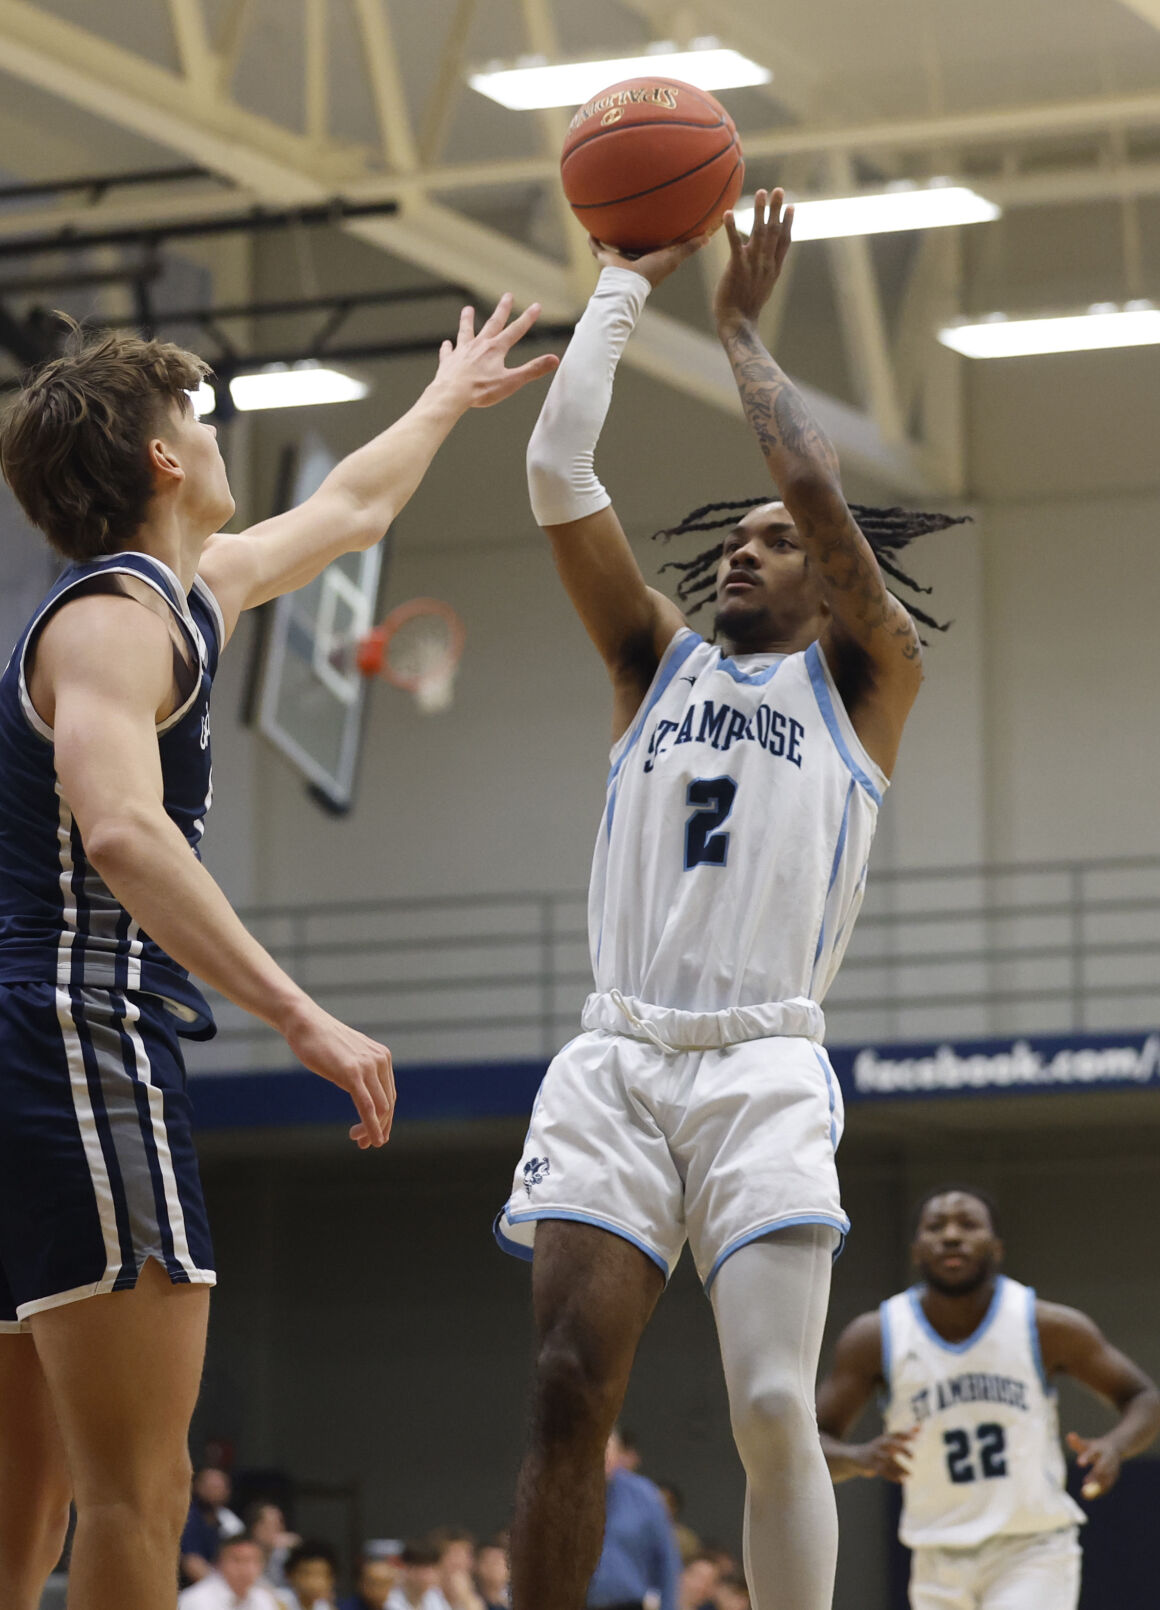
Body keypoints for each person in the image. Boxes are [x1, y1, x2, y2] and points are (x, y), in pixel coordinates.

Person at [0, 297, 557, 1610]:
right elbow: (127, 835)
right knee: (137, 1496)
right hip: (64, 1042)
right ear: (163, 461)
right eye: (196, 413)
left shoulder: (183, 592)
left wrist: (444, 395)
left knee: (5, 1521)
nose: (213, 427)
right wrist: (300, 1013)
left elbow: (352, 509)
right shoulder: (113, 622)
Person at [497, 189, 966, 1610]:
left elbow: (821, 496)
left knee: (772, 1405)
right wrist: (621, 284)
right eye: (738, 537)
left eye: (777, 540)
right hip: (620, 1054)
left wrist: (744, 335)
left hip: (764, 1061)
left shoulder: (864, 684)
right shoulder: (655, 661)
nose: (747, 548)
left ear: (832, 586)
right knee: (570, 1385)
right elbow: (556, 462)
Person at [815, 1185, 1160, 1610]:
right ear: (916, 1251)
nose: (952, 1235)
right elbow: (811, 1444)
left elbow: (1143, 1397)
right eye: (936, 1227)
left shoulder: (1045, 1325)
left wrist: (1115, 1446)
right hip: (935, 1555)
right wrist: (859, 1458)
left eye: (969, 1224)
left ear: (996, 1247)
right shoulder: (874, 1337)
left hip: (1032, 1548)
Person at [587, 1428, 680, 1610]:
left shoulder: (644, 1495)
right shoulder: (561, 1495)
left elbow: (667, 1559)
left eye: (608, 1449)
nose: (602, 1456)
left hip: (628, 1603)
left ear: (618, 1454)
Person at [182, 1467, 246, 1585]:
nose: (214, 1491)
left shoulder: (228, 1521)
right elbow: (192, 1564)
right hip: (193, 1591)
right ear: (197, 1487)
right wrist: (224, 1590)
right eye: (209, 1486)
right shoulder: (188, 1519)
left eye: (219, 1487)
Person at [179, 1535, 280, 1610]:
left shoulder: (264, 1599)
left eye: (252, 1561)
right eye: (237, 1560)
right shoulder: (194, 1600)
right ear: (219, 1564)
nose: (245, 1568)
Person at [246, 1501, 301, 1588]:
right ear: (255, 1528)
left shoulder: (283, 1552)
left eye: (280, 1523)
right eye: (272, 1524)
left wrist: (298, 1548)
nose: (279, 1529)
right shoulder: (243, 1553)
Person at [389, 1541, 453, 1610]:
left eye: (434, 1567)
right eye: (426, 1567)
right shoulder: (389, 1598)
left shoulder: (433, 1594)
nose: (431, 1575)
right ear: (407, 1568)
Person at [280, 1540, 339, 1610]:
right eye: (307, 1574)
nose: (314, 1583)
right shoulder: (277, 1601)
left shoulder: (324, 1606)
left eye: (321, 1574)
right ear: (290, 1575)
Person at [474, 1538, 510, 1610]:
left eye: (503, 1561)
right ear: (478, 1566)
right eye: (494, 1562)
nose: (502, 1567)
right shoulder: (472, 1600)